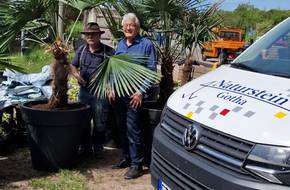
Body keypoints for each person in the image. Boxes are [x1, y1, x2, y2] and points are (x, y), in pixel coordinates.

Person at [109, 13, 157, 179]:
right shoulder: (120, 44)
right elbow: (114, 67)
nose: (129, 28)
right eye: (126, 25)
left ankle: (137, 165)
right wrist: (110, 86)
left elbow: (151, 72)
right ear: (122, 28)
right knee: (121, 128)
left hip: (134, 96)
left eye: (132, 25)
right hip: (118, 95)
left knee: (133, 129)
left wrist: (140, 92)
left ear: (137, 28)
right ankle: (127, 158)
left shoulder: (146, 45)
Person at [70, 22, 115, 158]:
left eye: (93, 34)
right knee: (83, 121)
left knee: (100, 122)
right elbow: (72, 66)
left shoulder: (109, 52)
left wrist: (109, 86)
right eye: (87, 34)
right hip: (84, 92)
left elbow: (114, 72)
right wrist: (77, 75)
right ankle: (85, 148)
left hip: (100, 93)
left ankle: (98, 147)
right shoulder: (81, 50)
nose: (90, 36)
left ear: (99, 35)